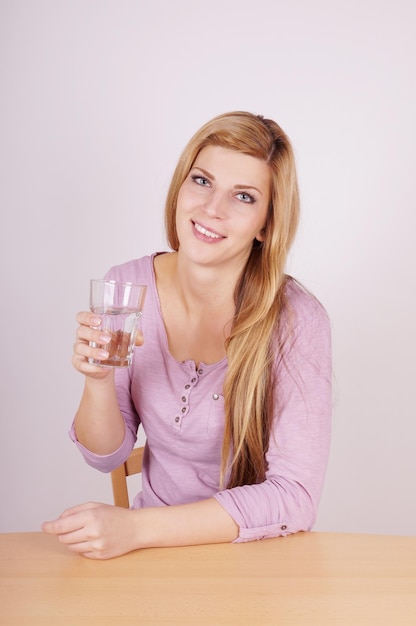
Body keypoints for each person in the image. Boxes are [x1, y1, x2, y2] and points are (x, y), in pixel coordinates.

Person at [43, 111, 332, 559]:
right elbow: (105, 456)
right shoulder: (128, 288)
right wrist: (98, 382)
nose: (212, 209)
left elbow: (294, 496)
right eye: (201, 181)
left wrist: (137, 529)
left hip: (252, 555)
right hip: (148, 557)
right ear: (180, 186)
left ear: (266, 225)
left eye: (243, 196)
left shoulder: (296, 320)